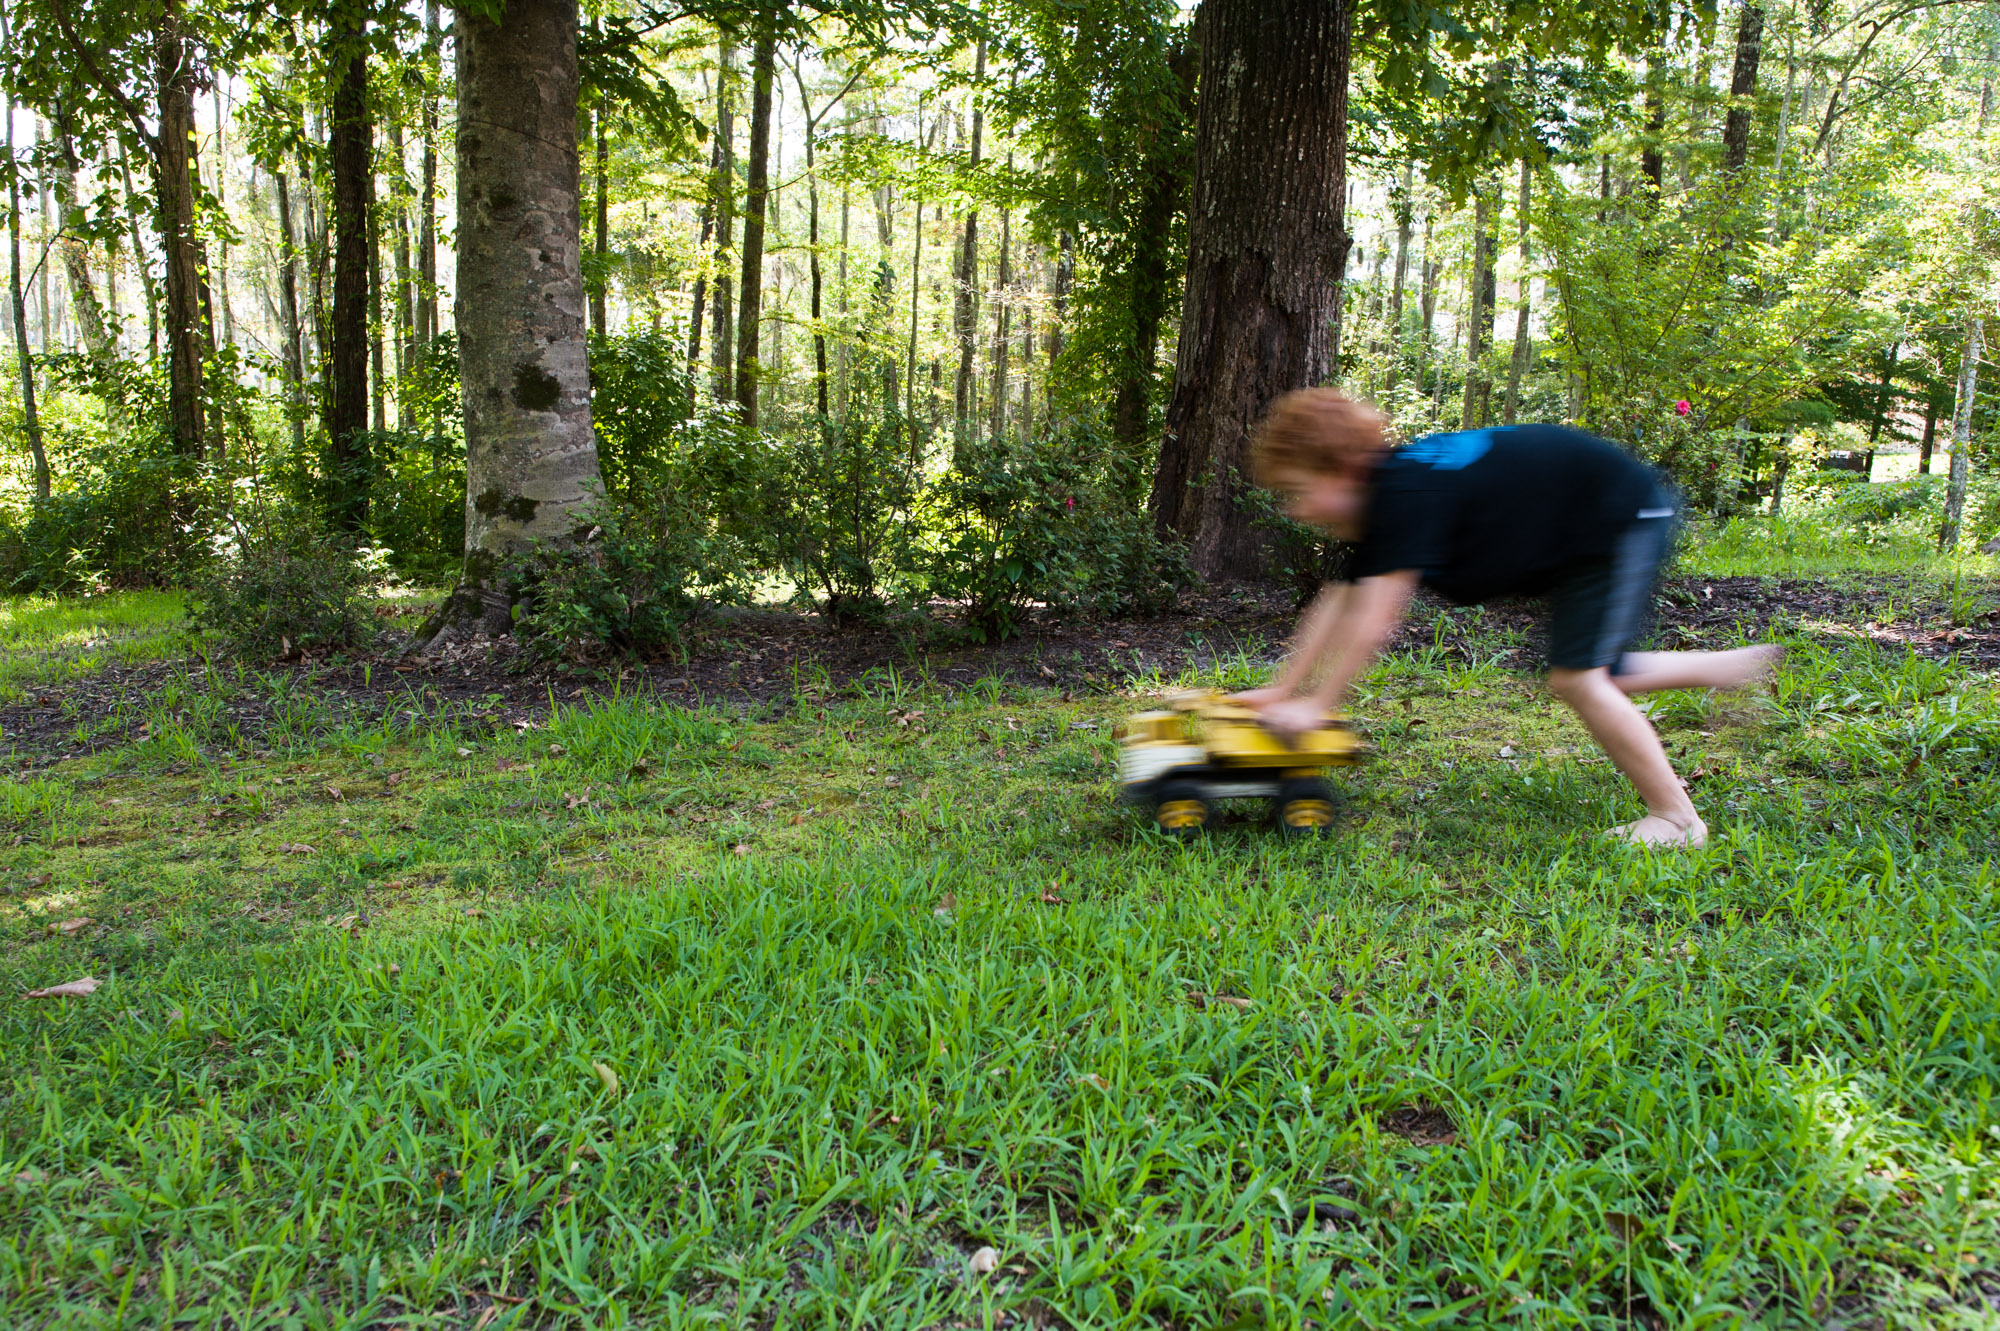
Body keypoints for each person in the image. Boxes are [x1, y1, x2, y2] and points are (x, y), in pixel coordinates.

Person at [1233, 389, 1779, 848]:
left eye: (1299, 493)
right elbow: (1337, 604)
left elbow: (1374, 622)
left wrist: (1319, 706)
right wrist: (1281, 690)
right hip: (1577, 532)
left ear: (1345, 470)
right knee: (1592, 669)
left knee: (1579, 677)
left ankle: (1677, 820)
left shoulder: (1405, 493)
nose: (1295, 511)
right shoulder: (1386, 499)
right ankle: (1731, 669)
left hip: (1616, 515)